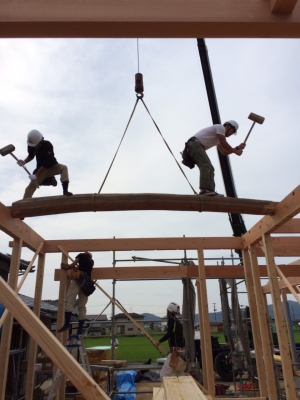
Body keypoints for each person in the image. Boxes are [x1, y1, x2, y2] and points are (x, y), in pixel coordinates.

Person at [185, 120, 246, 196]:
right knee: (206, 165)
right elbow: (224, 143)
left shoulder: (219, 138)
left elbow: (224, 152)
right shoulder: (220, 128)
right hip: (194, 144)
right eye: (233, 131)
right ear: (229, 126)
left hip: (196, 146)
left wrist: (237, 148)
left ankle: (210, 191)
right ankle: (204, 191)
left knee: (210, 168)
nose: (232, 134)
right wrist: (235, 151)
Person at [17, 129, 73, 198]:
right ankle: (24, 203)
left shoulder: (48, 145)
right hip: (41, 169)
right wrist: (24, 162)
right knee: (30, 187)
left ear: (40, 141)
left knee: (63, 167)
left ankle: (65, 191)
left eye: (35, 145)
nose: (34, 146)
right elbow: (31, 156)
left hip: (52, 166)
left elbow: (46, 163)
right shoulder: (31, 145)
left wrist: (36, 175)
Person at [57, 251, 94, 335]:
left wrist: (66, 267)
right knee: (82, 306)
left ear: (85, 253)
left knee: (70, 300)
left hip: (79, 279)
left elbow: (72, 265)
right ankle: (80, 330)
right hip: (87, 283)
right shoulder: (91, 261)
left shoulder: (81, 255)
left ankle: (67, 324)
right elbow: (83, 268)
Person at [155, 302, 185, 378]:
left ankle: (167, 389)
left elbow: (169, 334)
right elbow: (178, 337)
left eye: (167, 311)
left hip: (175, 353)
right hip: (180, 351)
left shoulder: (171, 320)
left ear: (170, 312)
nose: (167, 313)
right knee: (180, 374)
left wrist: (159, 341)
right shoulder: (178, 322)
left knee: (163, 375)